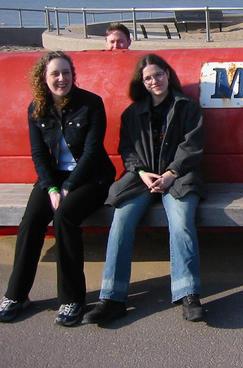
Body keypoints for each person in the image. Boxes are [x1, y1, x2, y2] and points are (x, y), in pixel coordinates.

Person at [83, 54, 205, 324]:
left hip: (179, 178)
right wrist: (141, 172)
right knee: (120, 221)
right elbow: (126, 148)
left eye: (158, 75)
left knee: (182, 223)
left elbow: (193, 146)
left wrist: (172, 173)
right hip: (142, 179)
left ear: (167, 74)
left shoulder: (187, 107)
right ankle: (112, 298)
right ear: (142, 82)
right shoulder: (132, 113)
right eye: (148, 78)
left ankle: (188, 294)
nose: (154, 81)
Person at [0, 52, 115, 326]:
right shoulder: (36, 109)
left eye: (66, 72)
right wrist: (51, 187)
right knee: (31, 221)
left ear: (73, 74)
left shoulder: (91, 104)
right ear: (44, 77)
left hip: (90, 178)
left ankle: (72, 298)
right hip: (54, 178)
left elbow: (91, 152)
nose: (62, 78)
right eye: (55, 73)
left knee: (65, 218)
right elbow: (39, 154)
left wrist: (69, 186)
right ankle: (17, 295)